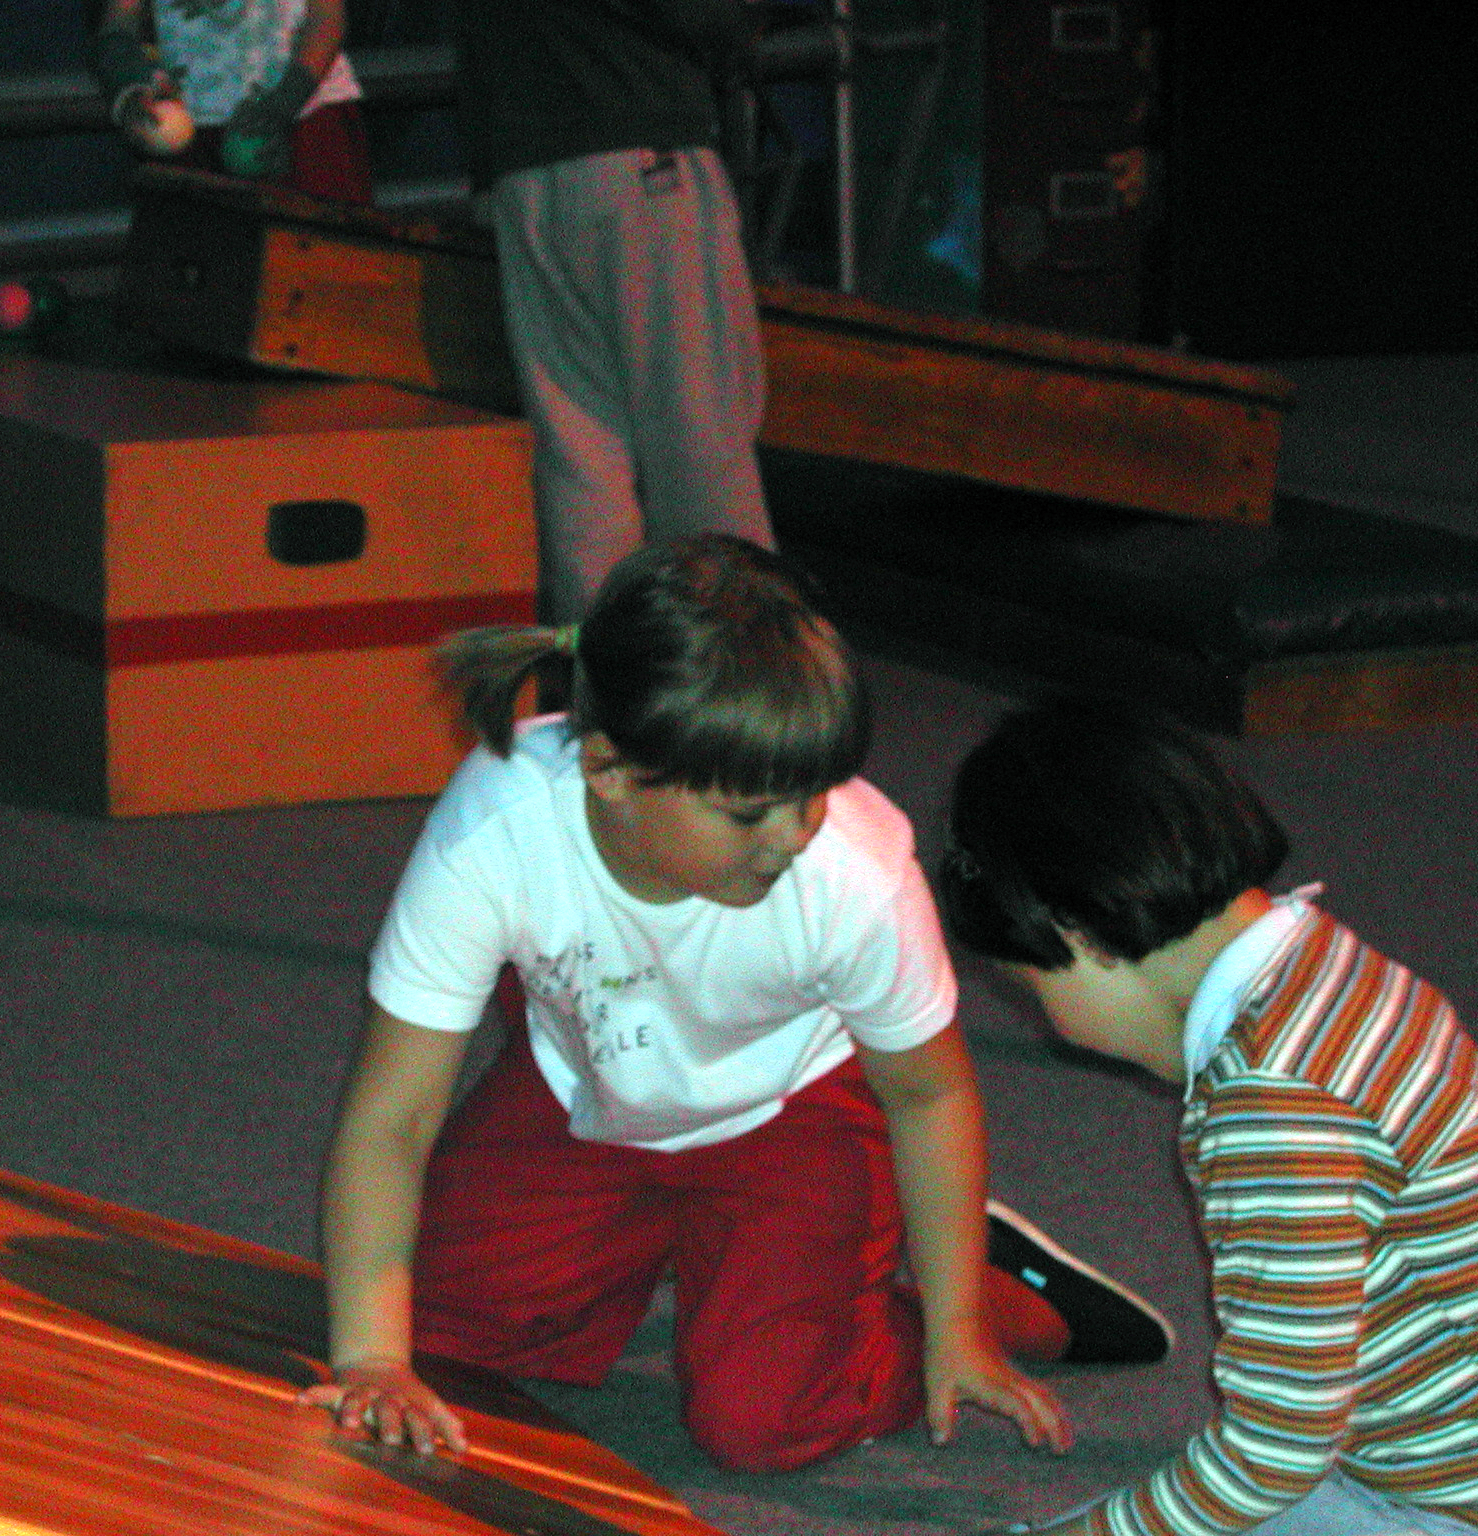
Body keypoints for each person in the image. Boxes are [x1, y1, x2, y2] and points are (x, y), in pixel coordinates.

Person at [299, 536, 1169, 1473]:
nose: (793, 837)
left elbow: (930, 1094)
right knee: (431, 1329)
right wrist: (373, 1360)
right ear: (609, 772)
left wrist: (958, 1328)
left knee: (763, 1421)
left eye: (814, 794)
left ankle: (990, 1289)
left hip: (796, 1106)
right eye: (750, 812)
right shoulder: (497, 827)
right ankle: (689, 1250)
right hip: (593, 1086)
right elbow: (393, 1116)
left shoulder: (856, 875)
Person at [938, 695, 1478, 1536]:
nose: (1052, 1025)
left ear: (1082, 937)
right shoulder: (1327, 964)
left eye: (1035, 990)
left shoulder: (1273, 1107)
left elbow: (1272, 1454)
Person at [448, 0, 776, 622]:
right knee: (697, 436)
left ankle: (602, 664)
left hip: (525, 175)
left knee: (580, 455)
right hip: (641, 154)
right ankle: (725, 661)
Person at [92, 0, 372, 205]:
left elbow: (327, 18)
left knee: (323, 257)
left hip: (307, 121)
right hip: (191, 129)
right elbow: (119, 20)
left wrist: (284, 104)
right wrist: (128, 86)